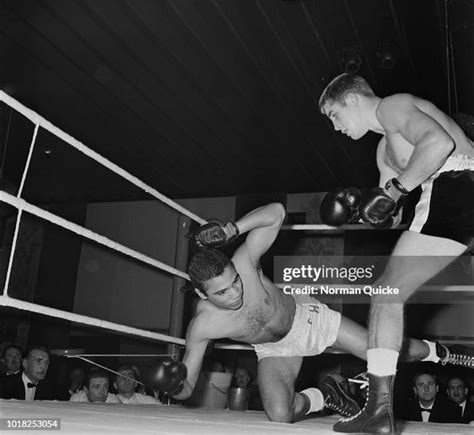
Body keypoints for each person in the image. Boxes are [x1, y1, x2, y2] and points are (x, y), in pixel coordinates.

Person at [147, 203, 470, 424]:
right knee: (279, 414)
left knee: (388, 352)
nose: (236, 293)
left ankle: (440, 353)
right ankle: (324, 396)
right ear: (202, 294)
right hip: (273, 349)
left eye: (234, 282)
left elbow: (276, 212)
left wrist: (234, 228)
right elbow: (188, 387)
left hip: (309, 320)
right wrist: (174, 385)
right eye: (222, 292)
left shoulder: (246, 261)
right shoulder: (202, 327)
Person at [318, 73, 474, 432]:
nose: (336, 127)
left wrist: (394, 191)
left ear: (354, 99)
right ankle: (379, 409)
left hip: (456, 185)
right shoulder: (383, 150)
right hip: (453, 197)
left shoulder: (393, 106)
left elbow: (438, 144)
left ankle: (379, 412)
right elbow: (395, 216)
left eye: (334, 115)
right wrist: (360, 208)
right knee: (388, 291)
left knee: (388, 292)